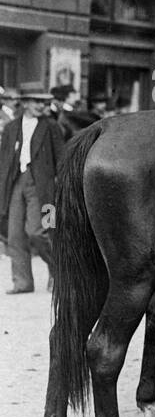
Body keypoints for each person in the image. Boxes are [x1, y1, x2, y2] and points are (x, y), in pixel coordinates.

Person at [0, 84, 65, 294]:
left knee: (38, 231)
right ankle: (23, 282)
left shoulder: (52, 126)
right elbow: (3, 161)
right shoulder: (11, 128)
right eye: (36, 101)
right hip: (16, 183)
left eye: (43, 102)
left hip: (43, 187)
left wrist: (60, 188)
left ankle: (59, 272)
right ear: (25, 102)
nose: (41, 105)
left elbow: (61, 159)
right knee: (15, 235)